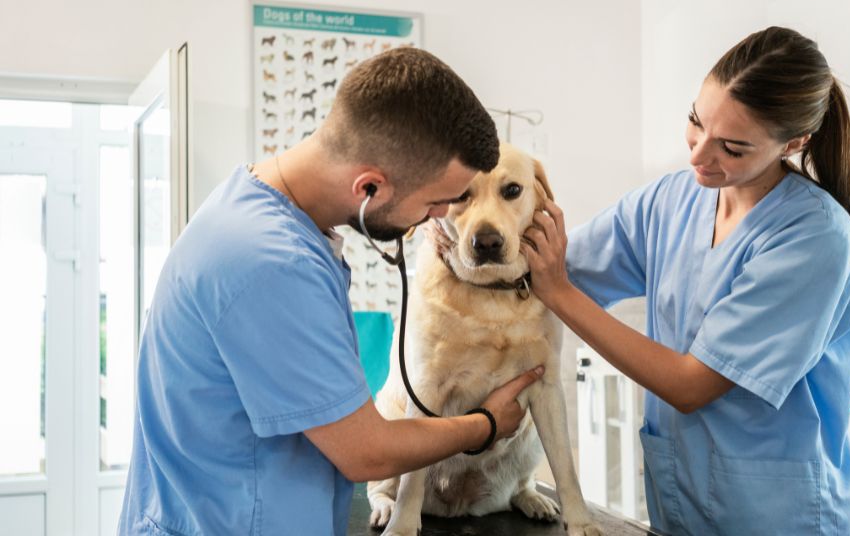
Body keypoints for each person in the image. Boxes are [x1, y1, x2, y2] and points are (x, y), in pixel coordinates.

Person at [118, 47, 545, 536]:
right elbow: (366, 452)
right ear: (369, 189)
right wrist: (486, 424)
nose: (437, 222)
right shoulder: (272, 265)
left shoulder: (251, 205)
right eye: (435, 202)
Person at [521, 27, 850, 535]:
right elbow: (551, 264)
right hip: (681, 505)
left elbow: (690, 385)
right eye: (696, 121)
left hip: (775, 516)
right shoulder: (671, 200)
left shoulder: (813, 237)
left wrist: (559, 293)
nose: (697, 155)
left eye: (731, 148)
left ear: (793, 144)